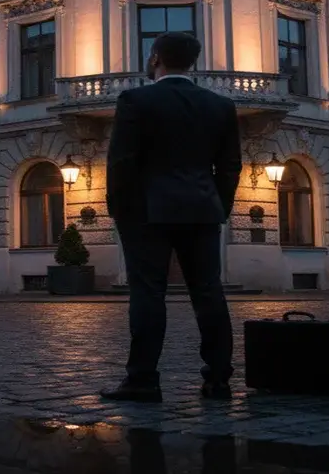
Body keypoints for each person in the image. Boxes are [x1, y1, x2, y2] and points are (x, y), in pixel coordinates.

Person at [101, 31, 242, 402]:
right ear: (192, 62)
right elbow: (229, 167)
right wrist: (219, 207)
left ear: (154, 58)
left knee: (148, 293)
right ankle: (218, 381)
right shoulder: (220, 105)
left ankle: (143, 380)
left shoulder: (135, 100)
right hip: (202, 210)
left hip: (147, 212)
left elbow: (120, 162)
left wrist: (120, 210)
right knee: (209, 293)